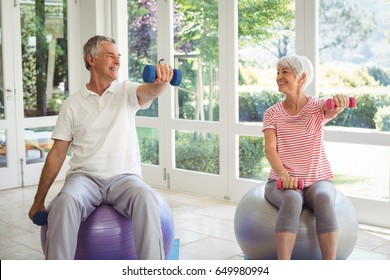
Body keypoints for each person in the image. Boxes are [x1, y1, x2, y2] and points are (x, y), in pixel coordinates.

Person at [28, 35, 174, 260]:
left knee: (146, 198)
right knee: (65, 202)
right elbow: (57, 155)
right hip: (84, 178)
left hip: (124, 178)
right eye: (110, 56)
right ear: (91, 59)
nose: (117, 61)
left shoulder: (126, 91)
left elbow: (151, 91)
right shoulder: (72, 104)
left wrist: (162, 80)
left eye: (119, 57)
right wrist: (39, 201)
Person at [262, 55, 350, 260]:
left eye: (285, 72)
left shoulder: (317, 107)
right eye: (278, 72)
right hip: (281, 181)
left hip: (318, 180)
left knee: (324, 197)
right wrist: (283, 175)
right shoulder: (272, 113)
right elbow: (270, 149)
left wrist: (338, 102)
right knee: (292, 199)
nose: (278, 77)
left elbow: (332, 108)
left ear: (302, 77)